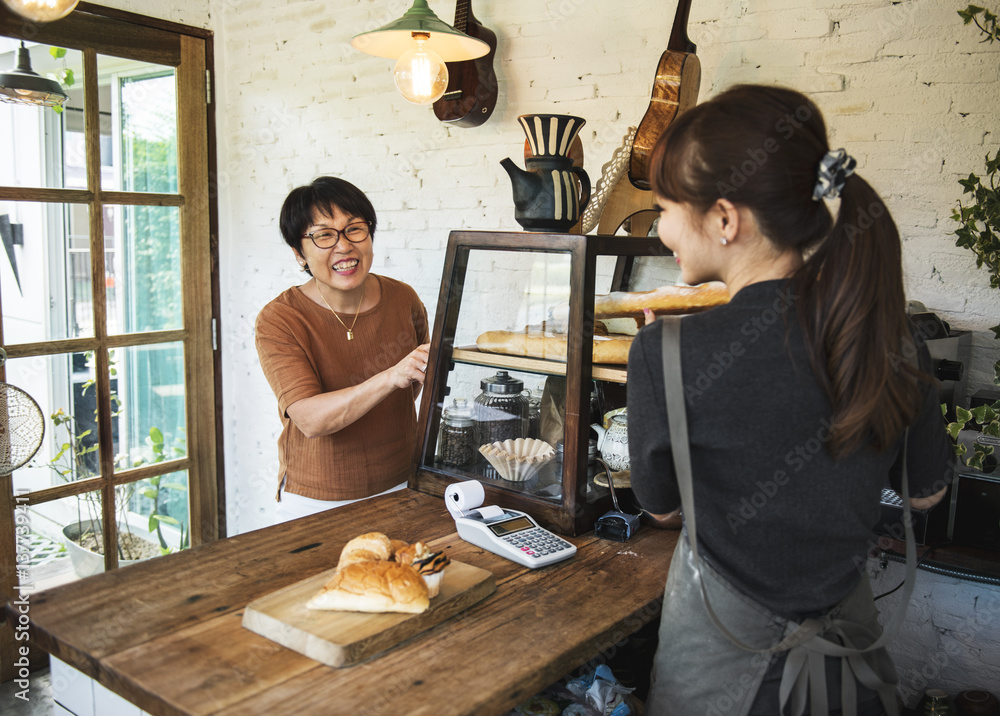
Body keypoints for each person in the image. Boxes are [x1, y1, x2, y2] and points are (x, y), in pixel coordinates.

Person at [627, 85, 954, 715]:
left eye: (665, 207)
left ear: (725, 219)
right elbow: (924, 494)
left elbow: (662, 509)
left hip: (714, 679)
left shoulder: (665, 353)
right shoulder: (889, 336)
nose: (661, 226)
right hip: (850, 675)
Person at [255, 176, 430, 524]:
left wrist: (398, 379)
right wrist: (389, 377)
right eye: (323, 235)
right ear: (298, 252)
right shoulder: (280, 319)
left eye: (354, 229)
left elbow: (415, 380)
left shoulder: (403, 298)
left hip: (404, 483)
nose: (344, 246)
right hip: (318, 500)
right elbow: (310, 420)